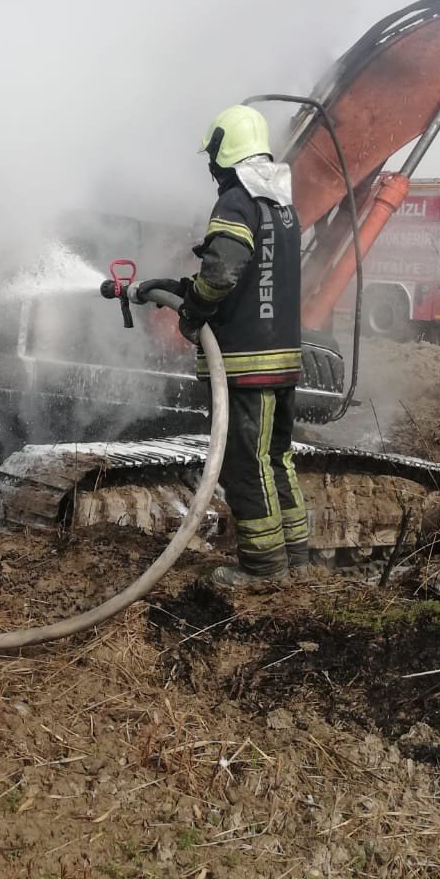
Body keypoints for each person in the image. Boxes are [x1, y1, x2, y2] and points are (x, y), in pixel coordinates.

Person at [140, 105, 306, 588]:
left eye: (212, 157)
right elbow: (253, 275)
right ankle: (296, 556)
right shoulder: (280, 204)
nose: (211, 168)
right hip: (281, 357)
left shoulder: (237, 201)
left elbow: (223, 272)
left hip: (246, 361)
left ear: (223, 152)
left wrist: (193, 309)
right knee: (276, 458)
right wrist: (182, 287)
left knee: (244, 462)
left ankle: (262, 567)